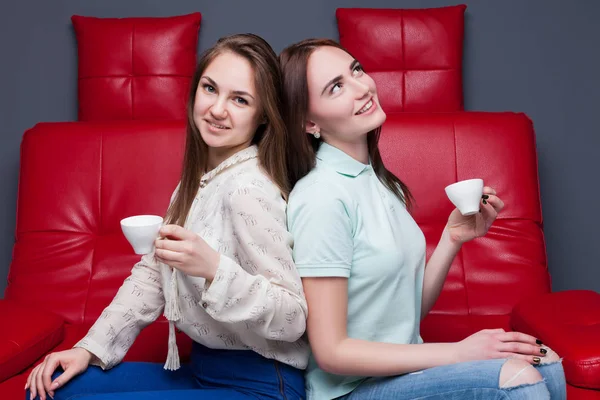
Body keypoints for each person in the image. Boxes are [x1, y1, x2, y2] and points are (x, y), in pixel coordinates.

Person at [25, 33, 308, 400]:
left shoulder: (248, 189)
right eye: (210, 88)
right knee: (52, 390)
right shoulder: (198, 181)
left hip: (262, 382)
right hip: (202, 370)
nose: (217, 109)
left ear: (264, 115)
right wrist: (89, 348)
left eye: (240, 99)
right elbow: (153, 274)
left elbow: (294, 317)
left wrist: (213, 268)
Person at [280, 38, 566, 400]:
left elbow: (405, 310)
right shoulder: (321, 197)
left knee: (549, 366)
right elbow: (332, 352)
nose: (362, 87)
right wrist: (459, 352)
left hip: (401, 374)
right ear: (309, 122)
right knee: (518, 380)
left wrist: (452, 237)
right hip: (350, 391)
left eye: (356, 70)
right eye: (336, 87)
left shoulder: (380, 183)